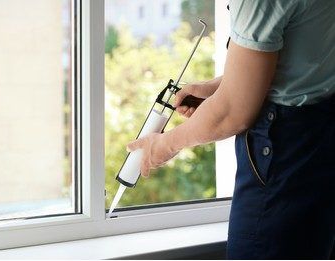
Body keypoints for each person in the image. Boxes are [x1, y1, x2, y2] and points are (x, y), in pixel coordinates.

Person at [126, 0, 335, 259]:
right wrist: (221, 87)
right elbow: (305, 57)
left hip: (284, 153)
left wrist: (164, 145)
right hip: (322, 140)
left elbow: (232, 112)